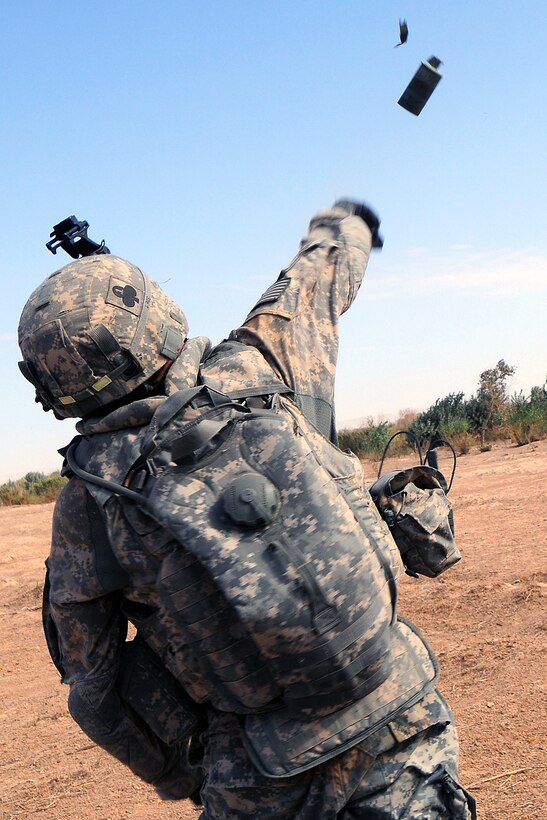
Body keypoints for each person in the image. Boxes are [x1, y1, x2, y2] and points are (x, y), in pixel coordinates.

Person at [18, 201, 476, 818]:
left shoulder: (86, 501)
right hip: (401, 712)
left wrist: (183, 776)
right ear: (156, 314)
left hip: (259, 768)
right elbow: (321, 276)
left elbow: (95, 687)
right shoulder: (259, 365)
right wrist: (348, 219)